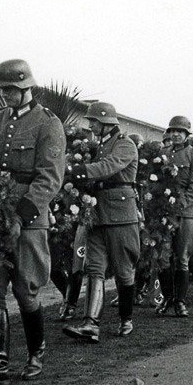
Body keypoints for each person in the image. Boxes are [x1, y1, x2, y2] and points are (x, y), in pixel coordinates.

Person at [0, 60, 65, 385]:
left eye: (10, 89)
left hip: (28, 219)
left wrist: (20, 216)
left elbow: (49, 177)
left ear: (26, 87)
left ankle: (36, 353)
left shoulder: (48, 123)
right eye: (2, 89)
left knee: (26, 290)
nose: (6, 95)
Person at [63, 102, 139, 342]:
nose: (91, 125)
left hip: (120, 216)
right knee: (94, 268)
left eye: (94, 121)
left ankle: (126, 318)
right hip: (96, 214)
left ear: (107, 122)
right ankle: (90, 324)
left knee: (124, 271)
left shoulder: (125, 144)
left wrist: (78, 170)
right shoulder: (99, 147)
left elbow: (109, 167)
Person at [155, 116, 193, 317]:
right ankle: (167, 298)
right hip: (164, 214)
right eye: (172, 131)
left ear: (187, 134)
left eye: (180, 131)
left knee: (182, 258)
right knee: (162, 257)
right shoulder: (162, 154)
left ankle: (180, 301)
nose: (175, 134)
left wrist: (178, 204)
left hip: (186, 213)